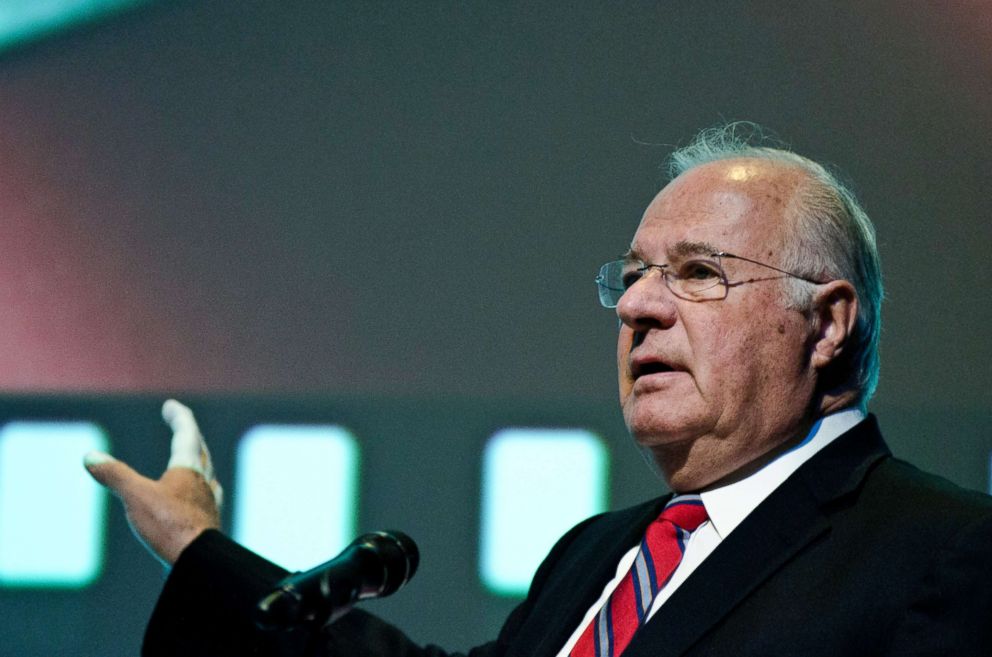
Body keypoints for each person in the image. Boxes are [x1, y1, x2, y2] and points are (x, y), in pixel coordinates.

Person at [84, 123, 992, 656]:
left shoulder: (943, 552)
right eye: (633, 275)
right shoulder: (598, 555)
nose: (637, 305)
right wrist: (196, 544)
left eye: (698, 272)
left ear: (827, 324)